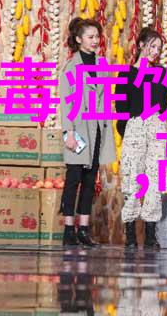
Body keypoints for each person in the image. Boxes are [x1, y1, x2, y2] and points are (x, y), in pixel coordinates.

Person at [59, 17, 116, 247]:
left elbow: (106, 97)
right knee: (73, 179)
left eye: (97, 37)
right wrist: (69, 133)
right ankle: (68, 230)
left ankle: (83, 229)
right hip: (79, 130)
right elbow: (66, 103)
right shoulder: (71, 67)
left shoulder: (102, 64)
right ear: (78, 39)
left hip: (98, 129)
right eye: (90, 37)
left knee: (90, 180)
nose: (95, 41)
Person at [115, 27, 167, 250]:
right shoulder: (126, 73)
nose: (155, 51)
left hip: (156, 127)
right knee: (132, 178)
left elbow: (163, 104)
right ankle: (130, 234)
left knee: (155, 180)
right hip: (135, 126)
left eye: (159, 48)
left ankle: (150, 234)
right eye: (152, 46)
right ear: (140, 45)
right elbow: (121, 107)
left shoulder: (163, 73)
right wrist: (129, 130)